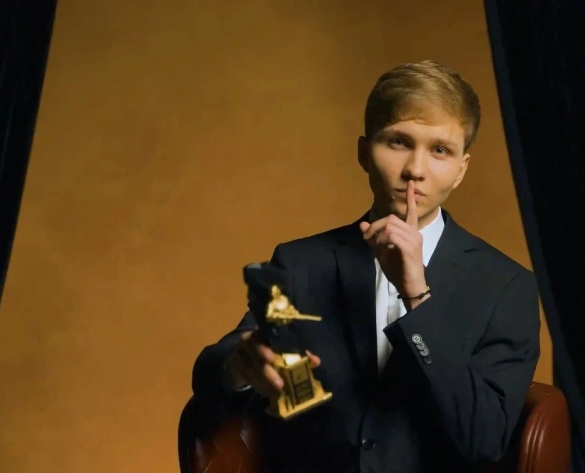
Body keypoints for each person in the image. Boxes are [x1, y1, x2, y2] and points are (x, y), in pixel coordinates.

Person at [192, 60, 540, 473]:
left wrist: (418, 298)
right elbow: (211, 374)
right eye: (398, 142)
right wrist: (240, 365)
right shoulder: (301, 263)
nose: (415, 170)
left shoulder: (507, 287)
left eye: (440, 150)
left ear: (461, 169)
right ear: (363, 153)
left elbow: (485, 439)